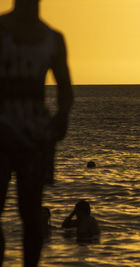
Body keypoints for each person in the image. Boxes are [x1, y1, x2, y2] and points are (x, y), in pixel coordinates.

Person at [0, 0, 73, 266]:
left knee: (30, 214)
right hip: (3, 130)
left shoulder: (52, 39)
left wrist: (60, 121)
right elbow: (66, 91)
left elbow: (65, 89)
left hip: (35, 137)